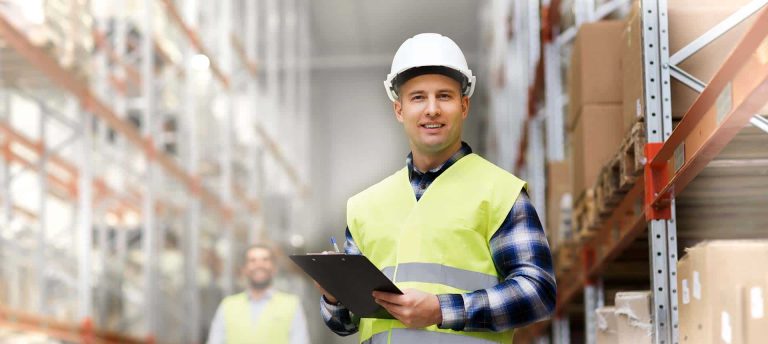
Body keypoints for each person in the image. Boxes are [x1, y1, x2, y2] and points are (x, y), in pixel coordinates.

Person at [317, 33, 557, 343]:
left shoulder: (499, 193)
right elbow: (346, 323)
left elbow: (538, 292)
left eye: (444, 96)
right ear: (399, 110)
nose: (432, 109)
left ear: (464, 105)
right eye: (418, 97)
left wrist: (442, 310)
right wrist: (334, 296)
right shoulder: (365, 206)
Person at [208, 244, 310, 344]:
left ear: (274, 268)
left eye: (265, 260)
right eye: (252, 260)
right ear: (244, 269)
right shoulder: (228, 305)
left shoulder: (292, 304)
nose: (259, 264)